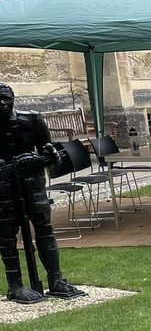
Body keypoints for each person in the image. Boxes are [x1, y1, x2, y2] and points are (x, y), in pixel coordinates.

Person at [0, 82, 85, 304]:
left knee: (44, 229)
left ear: (13, 98)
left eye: (6, 98)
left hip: (33, 183)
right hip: (3, 187)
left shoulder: (32, 119)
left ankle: (56, 280)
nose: (2, 103)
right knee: (7, 235)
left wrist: (42, 157)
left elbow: (50, 152)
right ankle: (15, 286)